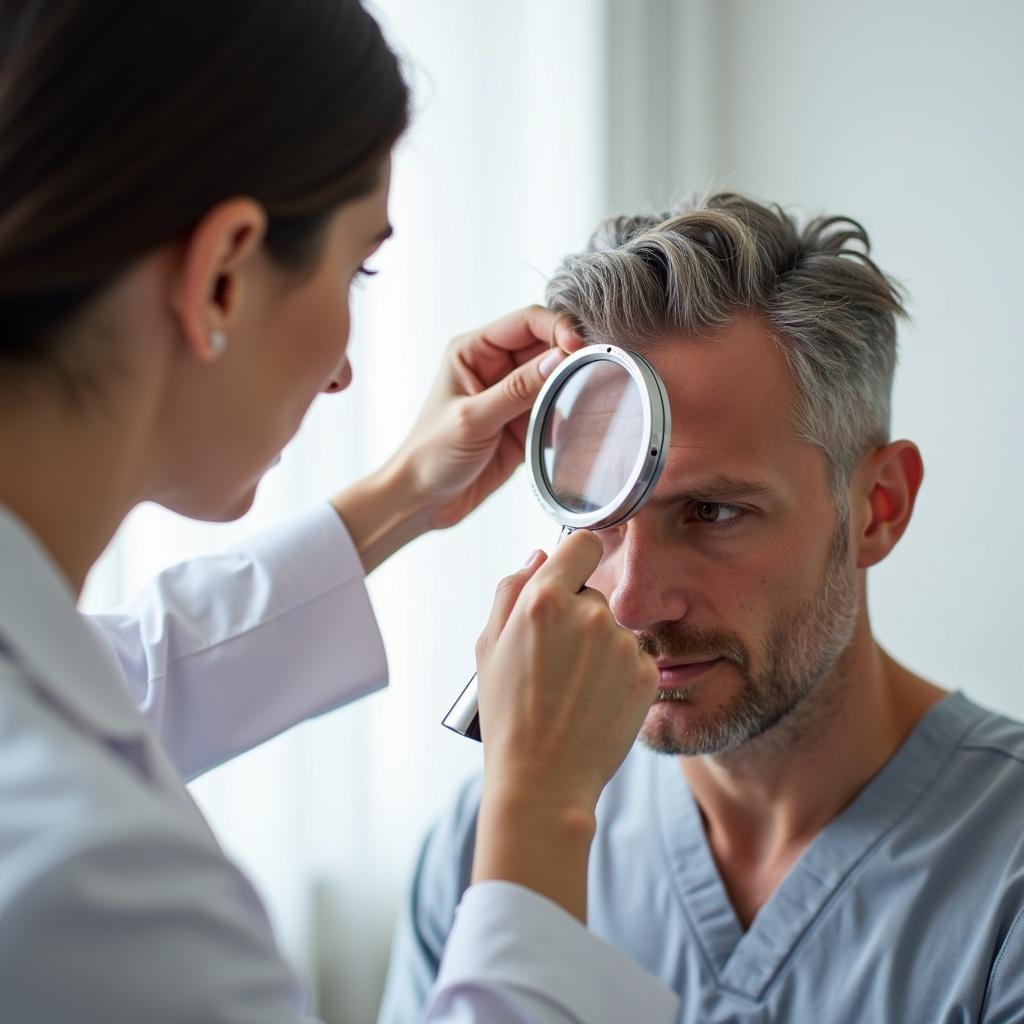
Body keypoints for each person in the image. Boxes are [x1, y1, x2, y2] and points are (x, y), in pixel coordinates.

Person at [0, 3, 682, 1021]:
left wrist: (405, 490)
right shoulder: (89, 880)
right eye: (356, 267)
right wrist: (540, 808)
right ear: (223, 275)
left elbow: (130, 675)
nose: (346, 368)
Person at [378, 193, 1024, 1023]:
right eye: (596, 513)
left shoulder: (1003, 879)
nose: (637, 603)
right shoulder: (494, 848)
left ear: (879, 507)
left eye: (713, 513)